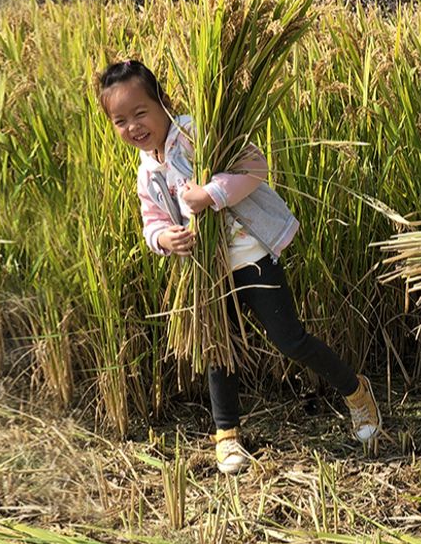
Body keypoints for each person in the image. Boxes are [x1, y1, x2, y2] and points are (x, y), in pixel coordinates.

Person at [97, 59, 382, 474]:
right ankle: (226, 435)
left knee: (291, 341)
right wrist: (164, 240)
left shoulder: (197, 132)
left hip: (251, 255)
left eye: (140, 113)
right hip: (207, 274)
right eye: (120, 121)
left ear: (163, 102)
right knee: (217, 347)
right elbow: (152, 221)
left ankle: (356, 392)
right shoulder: (147, 171)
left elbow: (254, 166)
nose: (133, 127)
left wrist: (211, 194)